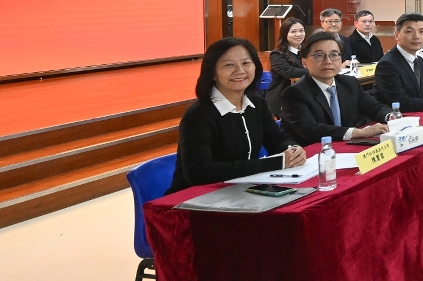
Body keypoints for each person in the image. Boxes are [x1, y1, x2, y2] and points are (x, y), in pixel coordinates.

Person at [166, 38, 307, 194]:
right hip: (195, 197)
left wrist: (292, 149)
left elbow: (277, 139)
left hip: (241, 190)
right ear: (212, 73)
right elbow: (199, 172)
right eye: (229, 65)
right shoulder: (198, 115)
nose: (240, 70)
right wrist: (276, 163)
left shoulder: (257, 103)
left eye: (246, 63)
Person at [280, 32, 393, 145]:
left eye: (334, 55)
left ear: (341, 60)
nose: (328, 61)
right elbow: (310, 130)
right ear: (304, 62)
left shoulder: (349, 83)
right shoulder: (294, 93)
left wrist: (392, 117)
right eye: (319, 55)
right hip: (314, 150)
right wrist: (358, 132)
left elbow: (375, 108)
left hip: (347, 147)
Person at [266, 17, 307, 116]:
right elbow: (289, 72)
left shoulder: (307, 52)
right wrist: (316, 71)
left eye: (301, 31)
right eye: (293, 31)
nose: (298, 34)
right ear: (285, 34)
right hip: (282, 98)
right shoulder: (277, 54)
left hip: (303, 96)